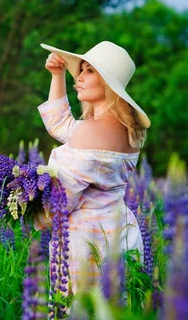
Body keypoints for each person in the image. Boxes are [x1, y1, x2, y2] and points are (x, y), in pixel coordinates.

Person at [34, 41, 151, 294]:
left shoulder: (88, 133)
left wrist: (24, 205)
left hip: (85, 244)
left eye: (89, 71)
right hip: (122, 234)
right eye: (81, 70)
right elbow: (61, 126)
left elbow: (60, 202)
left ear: (108, 83)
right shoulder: (131, 134)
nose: (79, 77)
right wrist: (58, 75)